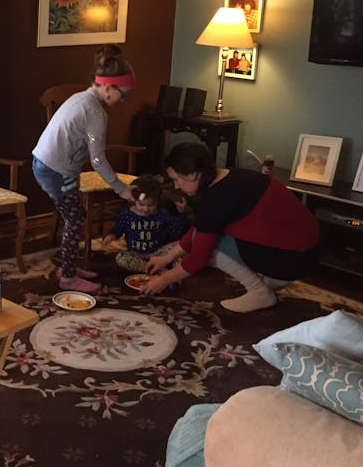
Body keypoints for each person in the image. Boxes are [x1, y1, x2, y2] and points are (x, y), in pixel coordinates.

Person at [139, 142, 321, 312]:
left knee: (211, 247)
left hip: (291, 260)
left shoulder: (215, 200)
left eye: (177, 179)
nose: (177, 185)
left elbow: (199, 257)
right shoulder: (233, 175)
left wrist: (163, 280)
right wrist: (166, 258)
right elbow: (200, 228)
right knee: (207, 237)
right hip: (307, 251)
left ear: (193, 174)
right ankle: (274, 281)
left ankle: (260, 293)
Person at [32, 43, 136, 294]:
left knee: (74, 216)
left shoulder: (80, 98)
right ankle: (67, 277)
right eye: (123, 95)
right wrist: (121, 189)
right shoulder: (96, 113)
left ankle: (68, 266)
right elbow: (97, 159)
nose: (123, 101)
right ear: (109, 88)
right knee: (75, 219)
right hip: (55, 170)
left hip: (46, 163)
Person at [101, 174, 188, 273]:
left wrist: (181, 214)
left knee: (181, 246)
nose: (146, 209)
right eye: (141, 204)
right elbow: (118, 229)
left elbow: (175, 232)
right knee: (121, 257)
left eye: (151, 205)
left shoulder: (162, 214)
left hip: (157, 253)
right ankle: (154, 270)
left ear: (157, 202)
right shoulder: (127, 214)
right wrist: (111, 235)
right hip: (135, 254)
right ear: (133, 200)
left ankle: (174, 274)